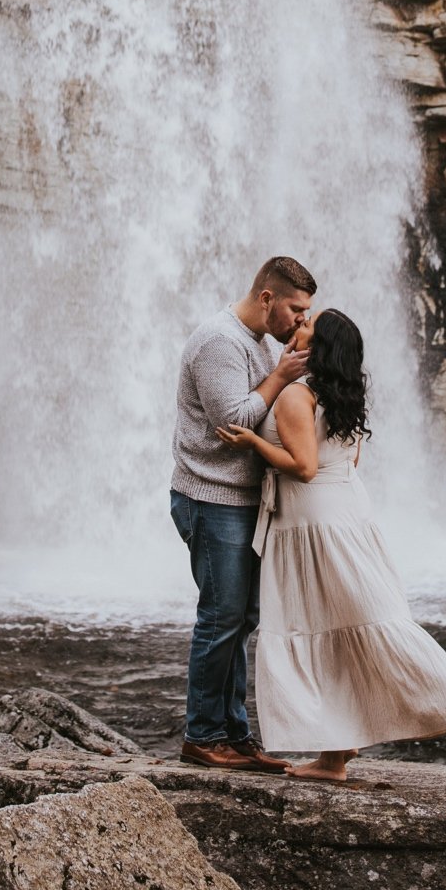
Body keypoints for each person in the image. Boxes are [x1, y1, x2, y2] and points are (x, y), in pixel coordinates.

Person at [218, 307, 446, 786]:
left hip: (312, 521)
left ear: (318, 348)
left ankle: (384, 724)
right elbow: (349, 456)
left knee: (315, 624)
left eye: (306, 326)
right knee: (338, 625)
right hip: (347, 512)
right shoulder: (343, 394)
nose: (297, 326)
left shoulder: (297, 394)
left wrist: (253, 440)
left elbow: (304, 467)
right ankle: (336, 752)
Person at [170, 255, 316, 770]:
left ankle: (233, 732)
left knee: (241, 619)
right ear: (267, 299)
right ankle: (203, 736)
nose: (301, 320)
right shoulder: (220, 341)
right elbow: (231, 424)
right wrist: (279, 376)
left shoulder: (255, 343)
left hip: (240, 503)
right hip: (211, 499)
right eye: (296, 310)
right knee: (221, 618)